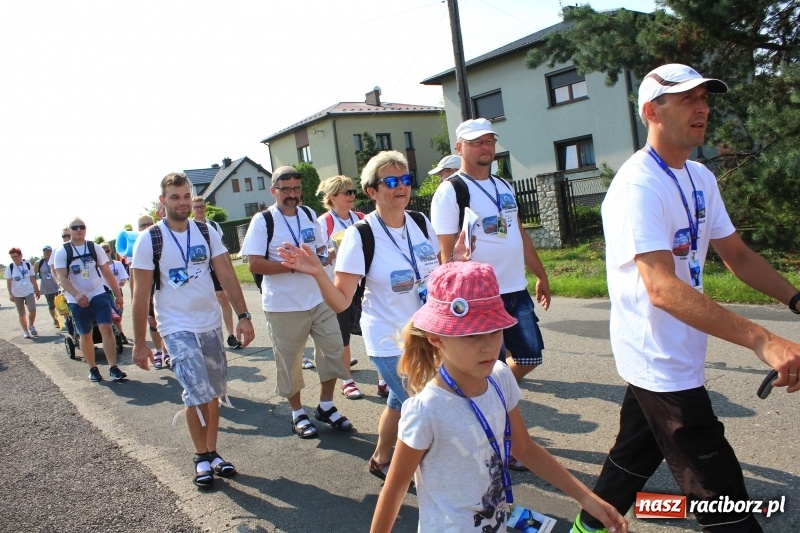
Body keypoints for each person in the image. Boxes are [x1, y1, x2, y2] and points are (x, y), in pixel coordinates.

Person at [573, 64, 800, 533]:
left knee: (633, 456)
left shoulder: (699, 177)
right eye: (688, 100)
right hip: (658, 357)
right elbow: (660, 287)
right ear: (651, 111)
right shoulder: (638, 184)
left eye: (705, 99)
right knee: (725, 503)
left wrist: (797, 300)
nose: (703, 108)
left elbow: (736, 254)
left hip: (678, 350)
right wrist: (762, 340)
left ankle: (586, 528)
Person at [369, 261, 627, 533]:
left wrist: (588, 498)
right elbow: (395, 489)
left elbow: (524, 447)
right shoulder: (425, 410)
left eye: (494, 330)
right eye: (471, 335)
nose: (488, 347)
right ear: (437, 338)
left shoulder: (500, 377)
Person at [277, 152, 467, 478]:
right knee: (425, 404)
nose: (400, 187)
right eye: (390, 181)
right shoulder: (360, 236)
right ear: (372, 191)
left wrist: (458, 262)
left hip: (425, 334)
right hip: (388, 336)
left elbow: (437, 277)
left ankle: (380, 459)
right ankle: (440, 474)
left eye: (405, 179)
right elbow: (340, 302)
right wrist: (317, 274)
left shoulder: (422, 223)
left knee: (398, 401)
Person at [131, 172, 255, 488]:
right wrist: (140, 343)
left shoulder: (205, 231)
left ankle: (213, 452)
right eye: (175, 197)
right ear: (163, 202)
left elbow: (226, 274)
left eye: (186, 196)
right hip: (175, 327)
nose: (183, 202)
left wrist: (243, 315)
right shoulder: (150, 239)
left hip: (210, 324)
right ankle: (201, 456)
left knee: (213, 393)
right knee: (196, 390)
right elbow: (140, 294)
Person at [431, 118, 551, 386]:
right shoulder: (451, 190)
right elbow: (445, 253)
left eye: (489, 141)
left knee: (530, 356)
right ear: (460, 148)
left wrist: (541, 275)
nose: (485, 147)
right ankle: (491, 402)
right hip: (479, 293)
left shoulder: (504, 186)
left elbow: (519, 234)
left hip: (515, 287)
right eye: (476, 143)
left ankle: (494, 391)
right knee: (488, 363)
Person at [241, 166, 353, 439]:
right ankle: (297, 413)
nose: (292, 195)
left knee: (333, 351)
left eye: (296, 189)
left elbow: (319, 249)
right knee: (290, 362)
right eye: (286, 189)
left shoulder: (308, 214)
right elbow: (254, 263)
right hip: (283, 305)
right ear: (274, 190)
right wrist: (294, 267)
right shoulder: (263, 220)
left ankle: (326, 405)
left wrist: (329, 253)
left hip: (318, 298)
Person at [54, 218, 126, 382]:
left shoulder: (95, 248)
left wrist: (118, 295)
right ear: (69, 230)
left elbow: (107, 272)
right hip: (76, 299)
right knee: (85, 334)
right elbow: (62, 278)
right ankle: (93, 369)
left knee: (107, 329)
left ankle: (113, 367)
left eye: (82, 227)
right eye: (75, 227)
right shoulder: (62, 252)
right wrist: (77, 295)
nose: (79, 230)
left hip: (98, 293)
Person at [315, 174, 364, 399]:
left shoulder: (361, 218)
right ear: (333, 197)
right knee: (342, 334)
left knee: (370, 330)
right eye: (347, 192)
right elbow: (319, 256)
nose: (353, 196)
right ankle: (347, 380)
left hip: (363, 283)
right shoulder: (324, 222)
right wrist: (338, 249)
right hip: (338, 284)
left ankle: (384, 380)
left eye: (353, 191)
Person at [191, 196, 242, 350]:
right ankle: (203, 335)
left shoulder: (213, 225)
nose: (199, 209)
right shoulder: (188, 227)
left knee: (223, 298)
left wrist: (228, 267)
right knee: (202, 301)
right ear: (192, 210)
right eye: (196, 207)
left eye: (201, 206)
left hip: (214, 267)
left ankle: (230, 335)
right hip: (198, 270)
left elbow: (221, 248)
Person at [133, 215, 170, 368]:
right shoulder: (138, 246)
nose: (146, 227)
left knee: (166, 322)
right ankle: (159, 350)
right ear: (138, 228)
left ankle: (168, 351)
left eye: (149, 224)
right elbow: (133, 282)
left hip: (164, 290)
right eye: (143, 225)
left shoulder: (159, 240)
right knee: (153, 322)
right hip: (147, 293)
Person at [6, 247, 40, 338]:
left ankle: (31, 325)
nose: (14, 258)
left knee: (32, 310)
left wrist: (37, 289)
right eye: (12, 257)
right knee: (22, 313)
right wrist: (10, 293)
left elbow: (32, 278)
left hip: (29, 291)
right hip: (17, 294)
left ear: (21, 256)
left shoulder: (27, 264)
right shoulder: (10, 267)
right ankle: (25, 331)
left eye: (16, 256)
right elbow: (9, 281)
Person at [101, 242, 129, 344]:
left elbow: (124, 277)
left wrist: (123, 281)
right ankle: (120, 334)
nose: (106, 253)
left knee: (119, 313)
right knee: (112, 314)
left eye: (107, 251)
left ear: (110, 251)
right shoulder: (99, 267)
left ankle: (117, 331)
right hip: (105, 293)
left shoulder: (117, 264)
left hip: (117, 291)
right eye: (103, 252)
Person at [34, 245, 60, 328]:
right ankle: (55, 320)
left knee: (61, 304)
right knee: (51, 305)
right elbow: (33, 275)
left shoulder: (56, 261)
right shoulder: (39, 263)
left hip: (57, 287)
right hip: (47, 288)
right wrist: (35, 288)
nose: (47, 253)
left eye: (48, 251)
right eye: (45, 251)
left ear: (52, 252)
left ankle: (64, 319)